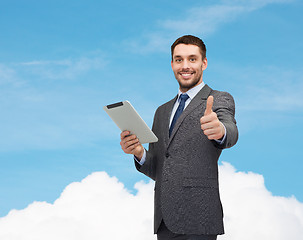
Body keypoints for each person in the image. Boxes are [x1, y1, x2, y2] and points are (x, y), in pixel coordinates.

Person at [120, 35, 238, 240]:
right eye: (179, 59)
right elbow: (159, 169)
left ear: (204, 63)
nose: (185, 66)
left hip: (199, 218)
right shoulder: (162, 111)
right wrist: (139, 153)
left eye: (192, 59)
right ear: (172, 64)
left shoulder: (219, 98)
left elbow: (230, 131)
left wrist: (220, 130)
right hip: (164, 220)